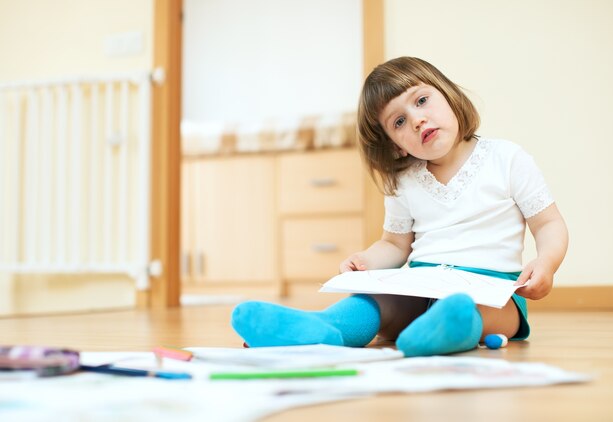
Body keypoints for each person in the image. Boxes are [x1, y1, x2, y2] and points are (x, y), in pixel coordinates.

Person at [231, 56, 568, 357]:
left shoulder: (506, 158)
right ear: (396, 147)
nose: (417, 120)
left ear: (448, 95)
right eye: (399, 122)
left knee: (469, 310)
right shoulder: (404, 181)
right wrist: (366, 261)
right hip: (421, 288)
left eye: (422, 101)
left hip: (493, 293)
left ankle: (446, 330)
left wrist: (546, 263)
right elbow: (394, 245)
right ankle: (324, 328)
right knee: (373, 304)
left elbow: (548, 223)